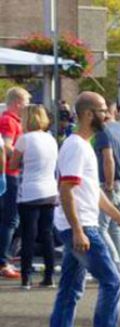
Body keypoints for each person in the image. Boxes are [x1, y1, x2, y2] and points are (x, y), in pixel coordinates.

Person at [44, 91, 120, 327]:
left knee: (71, 289)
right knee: (112, 280)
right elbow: (66, 190)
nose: (107, 115)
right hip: (81, 225)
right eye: (101, 110)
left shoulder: (84, 144)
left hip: (81, 223)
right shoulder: (75, 146)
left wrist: (119, 218)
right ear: (87, 114)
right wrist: (78, 231)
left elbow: (92, 193)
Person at [10, 105, 58, 289]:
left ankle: (26, 277)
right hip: (49, 191)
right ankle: (49, 276)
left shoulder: (24, 139)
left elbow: (14, 164)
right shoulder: (51, 139)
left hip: (29, 191)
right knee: (47, 235)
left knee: (28, 235)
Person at [94, 103, 120, 270]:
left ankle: (114, 265)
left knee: (100, 227)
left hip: (109, 183)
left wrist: (108, 184)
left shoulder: (103, 131)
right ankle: (119, 266)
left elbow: (108, 159)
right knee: (116, 226)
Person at [0, 86, 30, 280]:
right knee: (11, 219)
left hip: (13, 173)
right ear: (18, 103)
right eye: (26, 103)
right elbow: (7, 147)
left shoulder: (12, 121)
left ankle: (6, 257)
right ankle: (4, 261)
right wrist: (24, 158)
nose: (27, 107)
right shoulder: (9, 121)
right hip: (10, 174)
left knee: (14, 219)